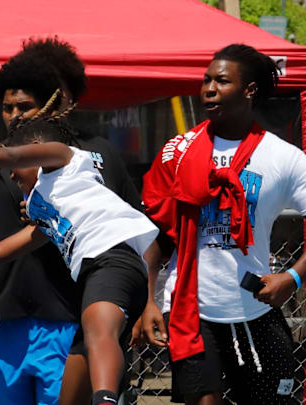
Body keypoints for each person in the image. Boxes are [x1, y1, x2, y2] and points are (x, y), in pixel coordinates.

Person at [0, 116, 159, 405]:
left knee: (97, 331)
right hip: (113, 275)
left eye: (16, 168)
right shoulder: (46, 206)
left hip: (110, 261)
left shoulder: (67, 158)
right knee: (76, 377)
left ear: (38, 151)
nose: (12, 175)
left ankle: (106, 400)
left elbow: (8, 155)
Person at [0, 36, 141, 405]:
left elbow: (126, 234)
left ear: (56, 104)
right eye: (7, 108)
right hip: (3, 323)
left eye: (25, 105)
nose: (14, 115)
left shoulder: (93, 157)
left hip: (72, 321)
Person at [139, 44, 306, 405]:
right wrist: (149, 300)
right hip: (190, 309)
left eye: (222, 81)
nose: (209, 88)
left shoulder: (284, 158)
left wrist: (292, 278)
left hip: (255, 306)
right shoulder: (178, 151)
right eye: (206, 80)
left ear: (249, 91)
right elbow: (158, 234)